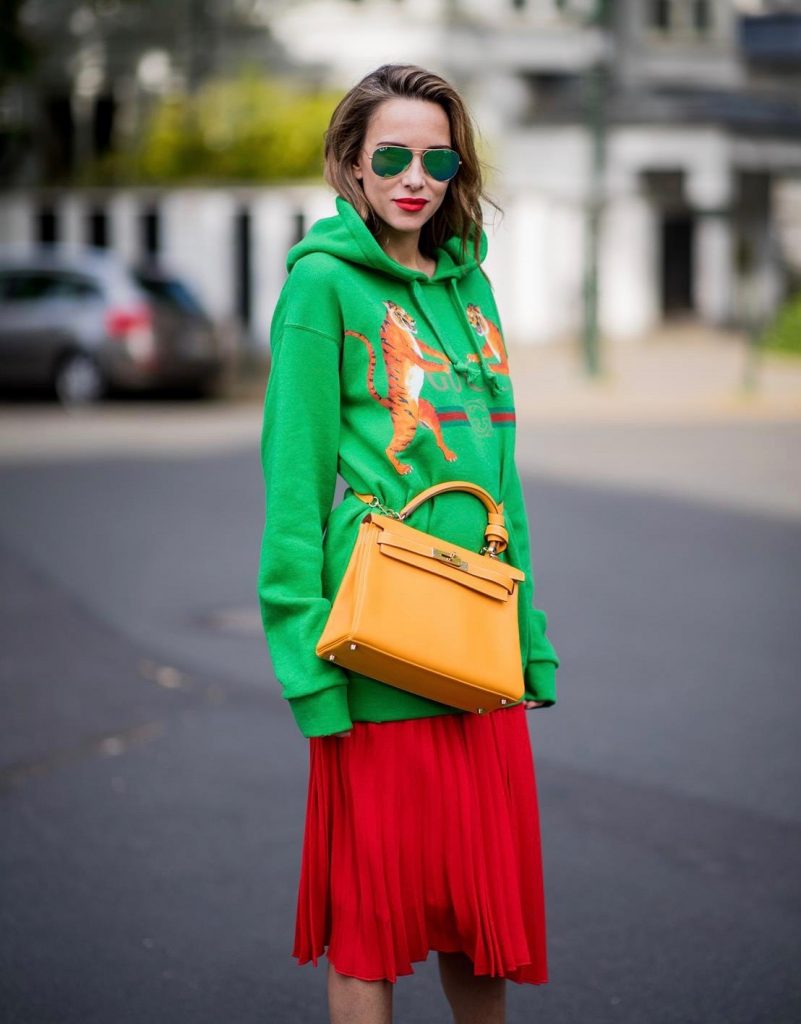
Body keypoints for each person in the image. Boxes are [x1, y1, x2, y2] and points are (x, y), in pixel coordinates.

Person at [257, 63, 560, 1024]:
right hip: (380, 638)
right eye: (389, 154)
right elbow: (292, 487)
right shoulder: (323, 290)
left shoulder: (473, 291)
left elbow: (502, 481)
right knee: (374, 925)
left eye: (436, 157)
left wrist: (530, 634)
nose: (412, 175)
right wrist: (306, 666)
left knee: (483, 921)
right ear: (349, 166)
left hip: (478, 644)